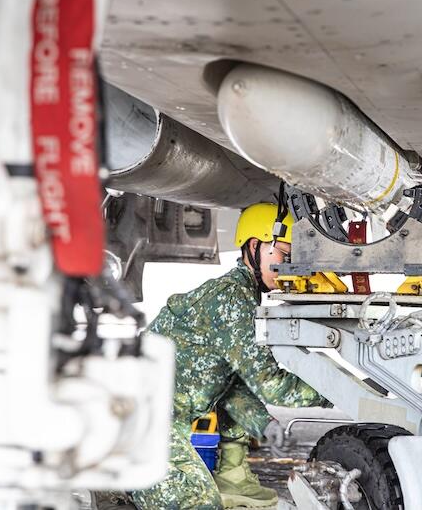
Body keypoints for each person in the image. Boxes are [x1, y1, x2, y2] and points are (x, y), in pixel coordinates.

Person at [131, 203, 330, 510]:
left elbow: (233, 388)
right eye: (283, 255)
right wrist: (333, 390)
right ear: (254, 246)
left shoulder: (242, 294)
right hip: (138, 422)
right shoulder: (231, 299)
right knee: (198, 503)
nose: (288, 266)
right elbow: (269, 383)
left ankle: (233, 475)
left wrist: (264, 424)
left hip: (157, 419)